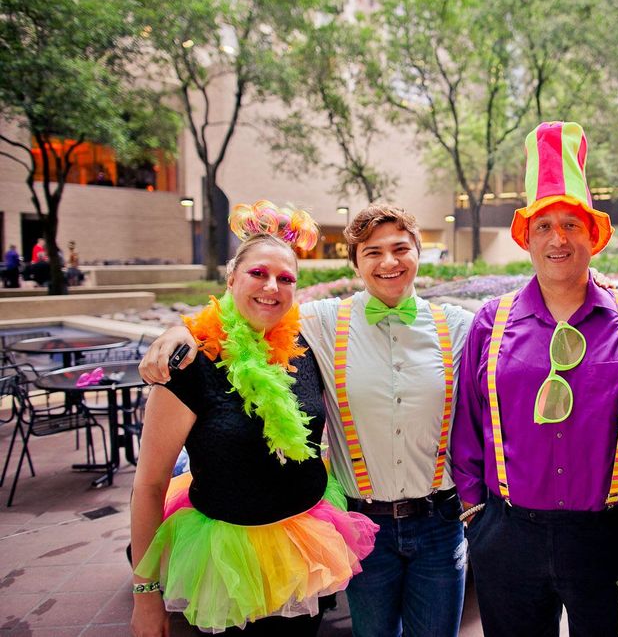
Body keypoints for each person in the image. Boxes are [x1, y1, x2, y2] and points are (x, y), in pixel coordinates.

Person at [140, 203, 473, 637]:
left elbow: (515, 321)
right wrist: (179, 330)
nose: (388, 262)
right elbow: (235, 317)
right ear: (354, 264)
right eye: (372, 252)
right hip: (363, 524)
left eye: (400, 249)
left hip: (439, 523)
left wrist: (590, 283)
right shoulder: (324, 321)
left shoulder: (459, 324)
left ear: (418, 253)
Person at [451, 121, 618, 637]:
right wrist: (478, 514)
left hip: (609, 536)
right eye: (544, 226)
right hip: (507, 535)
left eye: (571, 224)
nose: (558, 238)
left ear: (594, 235)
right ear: (527, 240)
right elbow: (468, 421)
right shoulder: (490, 321)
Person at [130, 201, 378, 636]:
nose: (272, 287)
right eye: (258, 273)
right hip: (226, 557)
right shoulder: (189, 364)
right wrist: (146, 595)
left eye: (286, 279)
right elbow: (149, 486)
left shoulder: (304, 345)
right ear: (231, 279)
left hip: (306, 542)